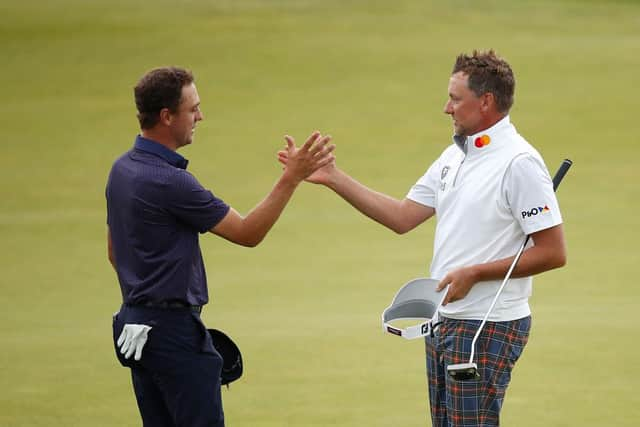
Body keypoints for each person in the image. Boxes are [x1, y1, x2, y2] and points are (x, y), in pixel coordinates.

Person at [278, 50, 567, 426]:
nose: (446, 108)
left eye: (455, 98)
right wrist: (334, 177)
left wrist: (474, 273)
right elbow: (402, 217)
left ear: (486, 102)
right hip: (444, 319)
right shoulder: (454, 156)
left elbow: (552, 252)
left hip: (488, 323)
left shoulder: (519, 163)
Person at [105, 66, 334, 427]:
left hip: (136, 329)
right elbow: (247, 232)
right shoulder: (171, 182)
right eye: (192, 108)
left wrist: (144, 305)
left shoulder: (122, 170)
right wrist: (292, 177)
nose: (200, 116)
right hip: (172, 334)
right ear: (167, 116)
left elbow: (115, 253)